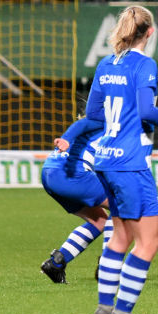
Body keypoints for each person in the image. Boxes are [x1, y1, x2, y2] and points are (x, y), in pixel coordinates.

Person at [86, 5, 158, 314]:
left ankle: (104, 309)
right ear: (150, 32)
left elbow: (93, 114)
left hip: (105, 158)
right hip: (131, 163)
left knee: (119, 237)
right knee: (148, 243)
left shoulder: (105, 64)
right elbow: (148, 110)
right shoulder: (145, 64)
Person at [39, 117, 113, 284]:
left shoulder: (95, 124)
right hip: (71, 176)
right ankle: (108, 266)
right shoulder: (113, 127)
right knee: (122, 207)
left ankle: (56, 262)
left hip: (49, 172)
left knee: (100, 221)